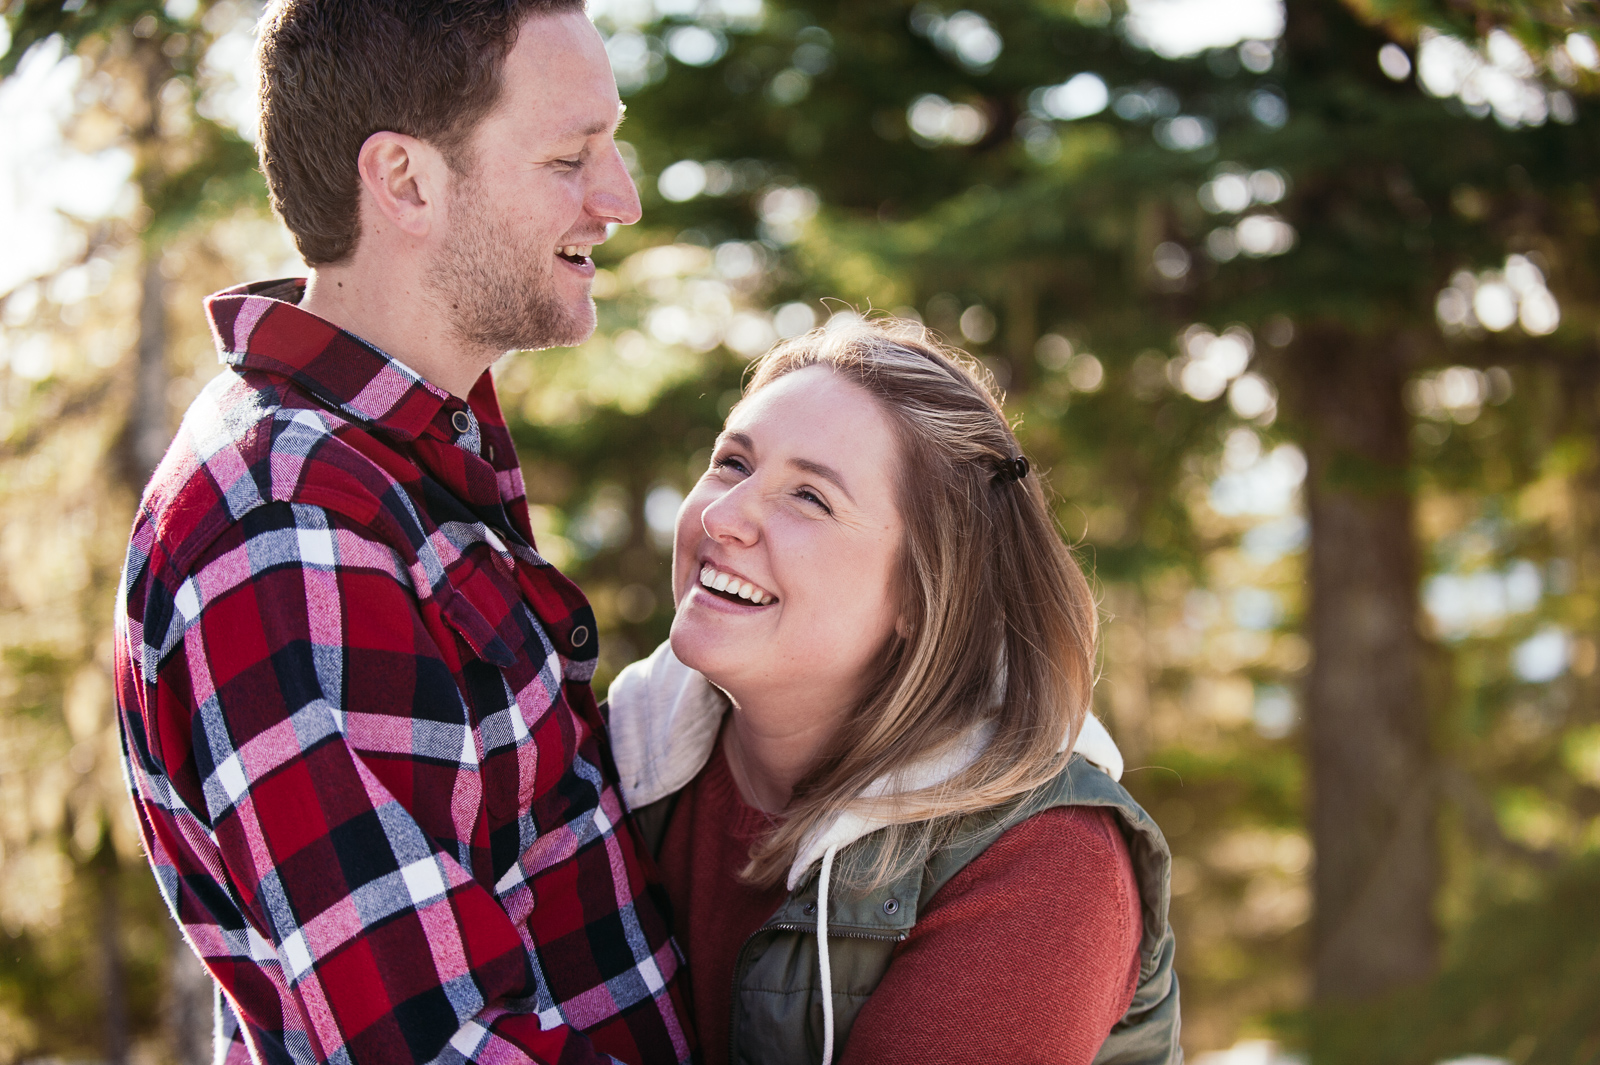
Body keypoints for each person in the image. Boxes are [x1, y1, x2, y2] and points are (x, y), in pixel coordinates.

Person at [111, 2, 693, 1062]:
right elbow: (434, 1046)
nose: (621, 199)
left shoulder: (399, 466)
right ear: (406, 181)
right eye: (571, 157)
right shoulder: (290, 524)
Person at [606, 320, 1181, 1065]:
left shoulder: (1046, 863)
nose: (723, 516)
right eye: (731, 462)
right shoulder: (601, 752)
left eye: (808, 497)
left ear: (925, 593)